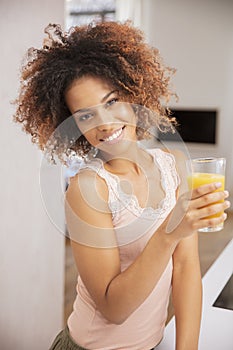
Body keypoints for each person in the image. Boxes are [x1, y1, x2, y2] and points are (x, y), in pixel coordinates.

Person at [14, 21, 230, 350]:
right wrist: (171, 231)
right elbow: (114, 309)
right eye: (85, 116)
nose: (105, 123)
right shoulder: (88, 190)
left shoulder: (174, 165)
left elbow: (185, 268)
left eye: (112, 101)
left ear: (133, 94)